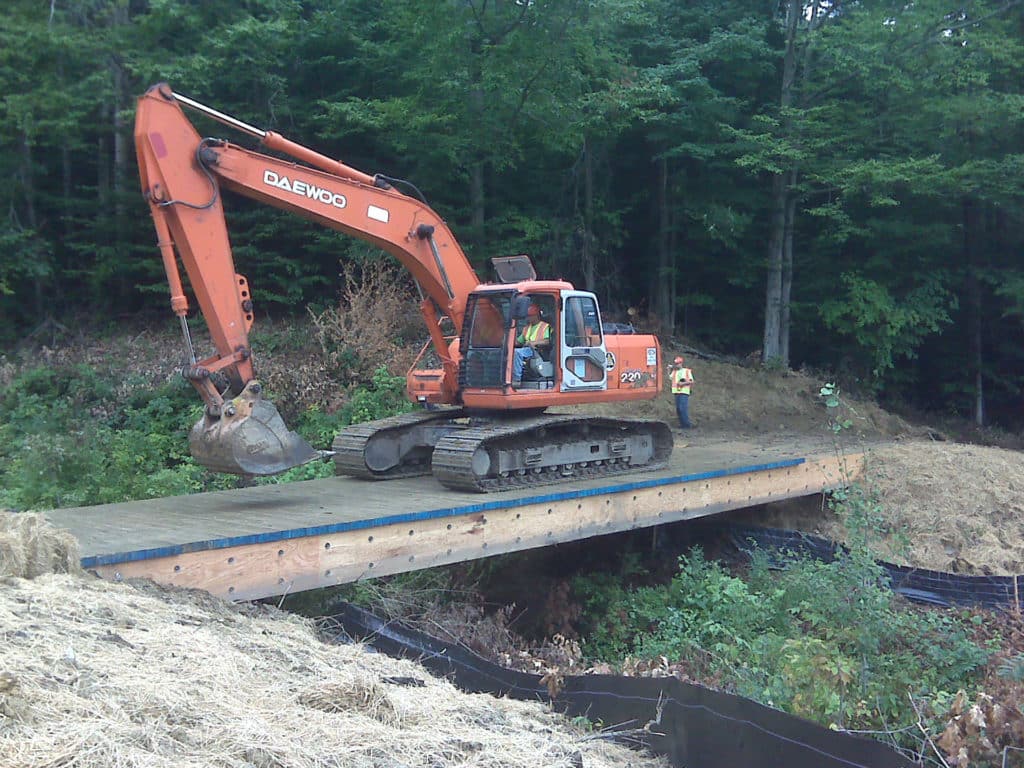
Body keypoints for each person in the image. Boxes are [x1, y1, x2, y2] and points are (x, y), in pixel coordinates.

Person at [513, 303, 551, 386]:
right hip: (527, 350)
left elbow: (547, 341)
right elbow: (518, 342)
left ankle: (516, 379)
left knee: (517, 353)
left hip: (538, 351)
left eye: (530, 316)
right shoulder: (526, 328)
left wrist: (533, 343)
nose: (528, 318)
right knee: (511, 352)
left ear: (536, 316)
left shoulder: (545, 326)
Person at [669, 355, 694, 428]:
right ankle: (682, 424)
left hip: (684, 392)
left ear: (681, 363)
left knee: (682, 408)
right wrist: (668, 369)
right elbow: (670, 378)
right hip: (676, 392)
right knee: (678, 409)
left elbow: (691, 381)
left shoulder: (686, 371)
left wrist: (682, 383)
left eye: (678, 363)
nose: (677, 365)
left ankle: (687, 425)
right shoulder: (674, 372)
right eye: (676, 364)